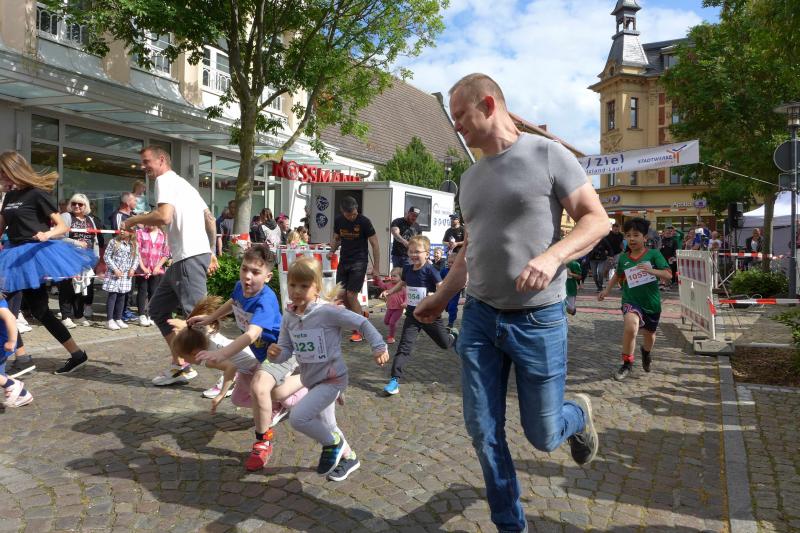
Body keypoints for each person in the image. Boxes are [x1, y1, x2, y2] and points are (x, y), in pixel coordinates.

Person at [412, 74, 607, 532]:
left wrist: (552, 256)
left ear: (488, 104)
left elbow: (597, 220)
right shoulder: (469, 178)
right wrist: (441, 297)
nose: (456, 126)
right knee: (482, 430)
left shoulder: (547, 154)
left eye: (461, 115)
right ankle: (510, 524)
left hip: (539, 319)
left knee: (543, 436)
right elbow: (472, 248)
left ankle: (577, 414)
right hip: (481, 318)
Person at [267, 257, 389, 482]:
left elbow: (361, 322)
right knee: (328, 425)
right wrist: (274, 354)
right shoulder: (289, 316)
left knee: (298, 418)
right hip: (312, 380)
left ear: (317, 288)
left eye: (304, 286)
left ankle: (333, 443)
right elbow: (286, 350)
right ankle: (349, 457)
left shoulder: (327, 312)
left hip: (332, 379)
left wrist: (378, 345)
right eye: (293, 284)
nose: (296, 291)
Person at [183, 252, 308, 471]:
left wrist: (222, 354)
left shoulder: (265, 301)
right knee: (240, 398)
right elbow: (234, 302)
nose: (247, 276)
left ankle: (263, 441)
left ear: (268, 277)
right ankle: (276, 403)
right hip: (261, 355)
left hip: (281, 352)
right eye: (244, 269)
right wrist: (210, 318)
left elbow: (251, 334)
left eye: (255, 272)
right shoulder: (240, 288)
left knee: (263, 389)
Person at [121, 146, 218, 386]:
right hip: (185, 258)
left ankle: (234, 371)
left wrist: (133, 220)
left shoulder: (164, 180)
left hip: (188, 258)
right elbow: (210, 219)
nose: (143, 167)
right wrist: (211, 252)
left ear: (161, 160)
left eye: (146, 162)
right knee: (157, 310)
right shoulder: (185, 185)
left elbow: (164, 216)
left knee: (200, 321)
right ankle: (180, 366)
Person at [0, 151, 95, 374]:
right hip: (12, 256)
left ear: (13, 170)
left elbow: (62, 226)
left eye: (3, 172)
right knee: (39, 310)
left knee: (9, 308)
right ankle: (76, 354)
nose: (1, 177)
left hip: (32, 255)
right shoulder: (9, 197)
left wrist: (47, 234)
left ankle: (21, 359)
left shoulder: (37, 194)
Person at [380, 235, 455, 396]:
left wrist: (434, 295)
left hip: (430, 316)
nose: (413, 255)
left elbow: (441, 288)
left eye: (417, 252)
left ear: (427, 254)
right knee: (404, 347)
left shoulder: (430, 270)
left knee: (445, 344)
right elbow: (403, 282)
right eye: (411, 251)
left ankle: (452, 336)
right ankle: (394, 380)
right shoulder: (407, 269)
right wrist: (390, 291)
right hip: (413, 316)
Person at [599, 218, 672, 381]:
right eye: (628, 235)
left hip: (651, 303)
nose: (631, 239)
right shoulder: (624, 258)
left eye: (636, 235)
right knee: (631, 327)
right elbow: (618, 275)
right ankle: (627, 363)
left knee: (649, 335)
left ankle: (646, 352)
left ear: (644, 238)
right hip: (630, 300)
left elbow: (668, 275)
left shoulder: (654, 254)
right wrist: (606, 290)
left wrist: (652, 271)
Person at [329, 196, 381, 343]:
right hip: (344, 261)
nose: (353, 216)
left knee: (351, 295)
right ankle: (361, 316)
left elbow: (375, 244)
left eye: (354, 213)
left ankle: (358, 330)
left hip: (359, 262)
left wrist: (376, 267)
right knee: (341, 295)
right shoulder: (339, 220)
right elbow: (336, 238)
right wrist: (331, 251)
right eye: (350, 214)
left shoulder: (364, 222)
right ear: (343, 212)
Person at [58, 193, 100, 328]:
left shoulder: (90, 219)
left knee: (82, 287)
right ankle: (65, 316)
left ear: (85, 206)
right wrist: (76, 243)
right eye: (74, 203)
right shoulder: (66, 216)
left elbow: (95, 239)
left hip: (86, 260)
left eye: (80, 204)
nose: (76, 206)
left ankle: (78, 315)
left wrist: (96, 257)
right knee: (67, 287)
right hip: (69, 259)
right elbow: (59, 237)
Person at [103, 229, 139, 331]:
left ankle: (118, 318)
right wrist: (115, 269)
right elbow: (106, 256)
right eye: (121, 229)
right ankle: (109, 320)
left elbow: (136, 258)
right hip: (114, 274)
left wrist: (133, 269)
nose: (122, 231)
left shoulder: (134, 244)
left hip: (126, 275)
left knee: (122, 296)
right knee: (113, 295)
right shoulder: (114, 242)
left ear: (131, 232)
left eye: (125, 230)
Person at [135, 224, 169, 326]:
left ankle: (150, 314)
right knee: (142, 290)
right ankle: (141, 315)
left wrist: (158, 267)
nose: (149, 224)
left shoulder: (164, 235)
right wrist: (142, 267)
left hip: (156, 269)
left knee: (153, 291)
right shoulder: (140, 233)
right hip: (142, 268)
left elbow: (166, 253)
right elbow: (137, 251)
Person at [0, 295, 31, 407]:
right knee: (1, 375)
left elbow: (11, 318)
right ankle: (23, 395)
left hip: (2, 346)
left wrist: (12, 341)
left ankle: (12, 384)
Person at [373, 267, 407, 344]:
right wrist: (378, 279)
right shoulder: (388, 284)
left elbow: (406, 297)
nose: (392, 277)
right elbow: (382, 286)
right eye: (391, 276)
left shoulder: (402, 287)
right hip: (389, 307)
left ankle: (391, 336)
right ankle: (393, 325)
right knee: (386, 322)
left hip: (398, 308)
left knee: (392, 322)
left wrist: (405, 303)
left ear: (401, 277)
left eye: (395, 276)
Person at [440, 252, 462, 328]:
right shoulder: (444, 270)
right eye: (449, 262)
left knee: (451, 307)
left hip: (455, 293)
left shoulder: (459, 271)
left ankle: (451, 323)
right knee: (446, 306)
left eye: (452, 263)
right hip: (445, 293)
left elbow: (463, 281)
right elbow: (439, 279)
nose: (450, 264)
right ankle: (451, 310)